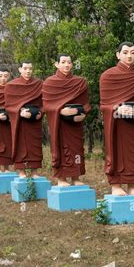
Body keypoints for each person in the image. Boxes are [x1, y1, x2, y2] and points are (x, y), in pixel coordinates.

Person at [100, 43, 134, 195]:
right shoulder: (108, 76)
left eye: (133, 52)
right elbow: (104, 105)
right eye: (125, 52)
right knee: (116, 151)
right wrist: (116, 108)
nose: (129, 56)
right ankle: (116, 186)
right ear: (118, 55)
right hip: (116, 124)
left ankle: (132, 187)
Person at [43, 54, 91, 186]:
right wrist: (60, 110)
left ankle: (76, 177)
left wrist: (83, 113)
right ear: (57, 64)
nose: (66, 65)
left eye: (69, 62)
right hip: (59, 124)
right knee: (60, 148)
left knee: (77, 150)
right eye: (63, 62)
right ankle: (61, 178)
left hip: (75, 124)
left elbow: (86, 104)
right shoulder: (50, 82)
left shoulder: (80, 82)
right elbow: (46, 105)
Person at [4, 61, 43, 177]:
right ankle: (21, 171)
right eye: (25, 68)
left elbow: (44, 102)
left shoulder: (39, 84)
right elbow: (8, 106)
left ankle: (35, 171)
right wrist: (19, 112)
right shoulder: (11, 85)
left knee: (34, 145)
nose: (28, 71)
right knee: (20, 144)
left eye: (30, 68)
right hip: (19, 122)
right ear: (20, 70)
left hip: (34, 120)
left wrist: (41, 112)